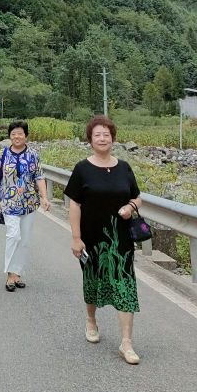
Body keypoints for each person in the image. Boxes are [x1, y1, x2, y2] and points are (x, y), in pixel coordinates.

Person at [65, 115, 144, 365]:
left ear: (113, 138)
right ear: (90, 139)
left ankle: (126, 343)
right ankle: (91, 320)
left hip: (121, 241)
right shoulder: (82, 169)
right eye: (97, 134)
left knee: (125, 285)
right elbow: (75, 204)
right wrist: (76, 238)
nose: (102, 138)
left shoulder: (124, 167)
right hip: (92, 239)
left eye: (106, 134)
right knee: (93, 283)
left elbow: (138, 196)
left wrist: (131, 206)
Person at [0, 119, 50, 291]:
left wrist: (44, 198)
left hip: (29, 203)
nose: (17, 137)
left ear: (26, 136)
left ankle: (17, 272)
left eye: (20, 134)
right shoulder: (3, 154)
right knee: (13, 235)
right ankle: (10, 273)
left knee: (25, 240)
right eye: (13, 134)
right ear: (9, 136)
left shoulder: (33, 154)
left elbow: (39, 177)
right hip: (8, 203)